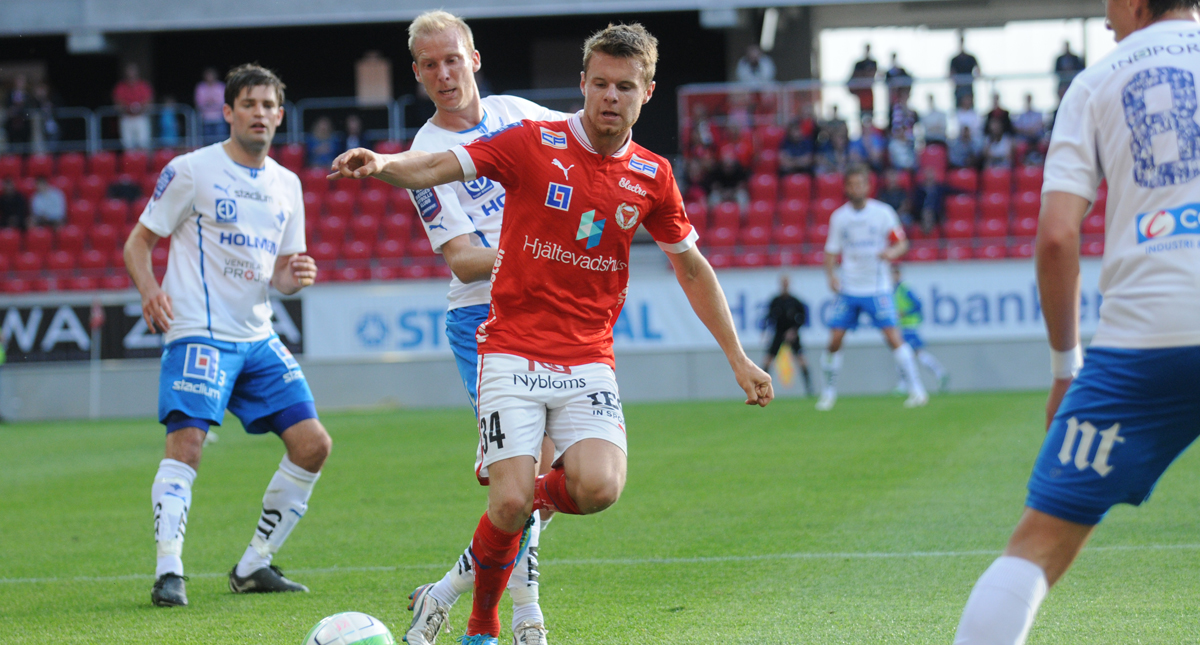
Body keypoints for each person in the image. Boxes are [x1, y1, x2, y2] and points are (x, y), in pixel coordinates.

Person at [330, 23, 773, 644]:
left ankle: (456, 581)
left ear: (647, 92)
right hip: (503, 334)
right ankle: (500, 623)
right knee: (515, 499)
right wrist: (381, 164)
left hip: (587, 354)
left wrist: (737, 357)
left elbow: (692, 266)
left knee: (590, 489)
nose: (610, 97)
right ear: (582, 84)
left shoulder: (646, 172)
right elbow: (434, 175)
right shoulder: (528, 141)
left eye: (624, 87)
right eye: (600, 84)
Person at [952, 4, 1200, 644]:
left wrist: (1066, 368)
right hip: (1152, 337)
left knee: (1036, 546)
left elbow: (1058, 236)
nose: (1106, 14)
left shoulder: (1097, 80)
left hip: (1148, 341)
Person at [392, 11, 569, 645]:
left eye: (452, 59)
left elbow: (581, 154)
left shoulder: (518, 114)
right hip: (484, 318)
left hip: (551, 313)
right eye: (430, 64)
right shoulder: (422, 157)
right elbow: (465, 260)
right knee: (523, 481)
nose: (444, 73)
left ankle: (444, 592)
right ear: (417, 74)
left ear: (474, 58)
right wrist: (542, 254)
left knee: (547, 482)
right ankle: (525, 618)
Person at [123, 63, 329, 609]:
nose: (260, 113)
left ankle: (254, 564)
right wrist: (150, 290)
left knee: (313, 445)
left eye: (269, 105)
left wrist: (295, 277)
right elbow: (138, 242)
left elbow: (281, 275)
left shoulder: (287, 185)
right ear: (228, 112)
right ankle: (169, 571)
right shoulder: (192, 170)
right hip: (198, 331)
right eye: (250, 104)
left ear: (279, 116)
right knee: (187, 444)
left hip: (257, 336)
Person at [817, 165, 927, 411]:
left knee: (893, 338)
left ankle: (917, 389)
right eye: (852, 184)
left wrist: (892, 253)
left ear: (868, 186)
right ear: (846, 188)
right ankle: (828, 393)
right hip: (849, 288)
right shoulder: (840, 218)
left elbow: (901, 243)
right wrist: (831, 276)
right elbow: (831, 251)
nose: (856, 188)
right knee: (834, 341)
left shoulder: (883, 213)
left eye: (860, 184)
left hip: (877, 288)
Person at [891, 264, 948, 394]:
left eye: (894, 273)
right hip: (903, 326)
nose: (891, 276)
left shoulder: (905, 288)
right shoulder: (895, 289)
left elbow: (918, 304)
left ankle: (905, 384)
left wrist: (905, 313)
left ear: (898, 274)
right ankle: (939, 373)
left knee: (906, 353)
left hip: (910, 326)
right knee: (913, 353)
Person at [762, 275, 812, 395]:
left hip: (792, 333)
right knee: (768, 359)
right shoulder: (775, 301)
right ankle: (762, 387)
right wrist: (766, 332)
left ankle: (809, 389)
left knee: (802, 360)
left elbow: (803, 318)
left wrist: (794, 330)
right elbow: (769, 318)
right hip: (779, 333)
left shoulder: (795, 301)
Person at [113, 63, 153, 150]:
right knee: (128, 146)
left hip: (141, 117)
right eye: (129, 72)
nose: (131, 74)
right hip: (126, 117)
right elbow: (118, 102)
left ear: (137, 73)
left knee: (143, 144)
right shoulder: (121, 86)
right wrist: (128, 109)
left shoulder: (143, 85)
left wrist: (139, 109)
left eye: (132, 72)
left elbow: (148, 101)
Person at [195, 67, 228, 144]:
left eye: (211, 75)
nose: (209, 77)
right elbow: (199, 103)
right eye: (208, 75)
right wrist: (210, 103)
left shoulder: (221, 86)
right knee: (207, 141)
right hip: (205, 118)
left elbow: (223, 102)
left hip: (219, 117)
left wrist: (211, 103)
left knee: (221, 140)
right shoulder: (200, 87)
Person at [950, 33, 980, 109]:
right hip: (959, 88)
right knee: (959, 109)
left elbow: (978, 71)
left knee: (970, 108)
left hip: (969, 87)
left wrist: (974, 78)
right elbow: (951, 73)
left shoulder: (971, 58)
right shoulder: (954, 59)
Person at [849, 44, 878, 118]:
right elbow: (855, 75)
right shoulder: (859, 64)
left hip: (869, 90)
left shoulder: (873, 63)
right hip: (862, 91)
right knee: (862, 112)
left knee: (870, 111)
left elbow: (873, 74)